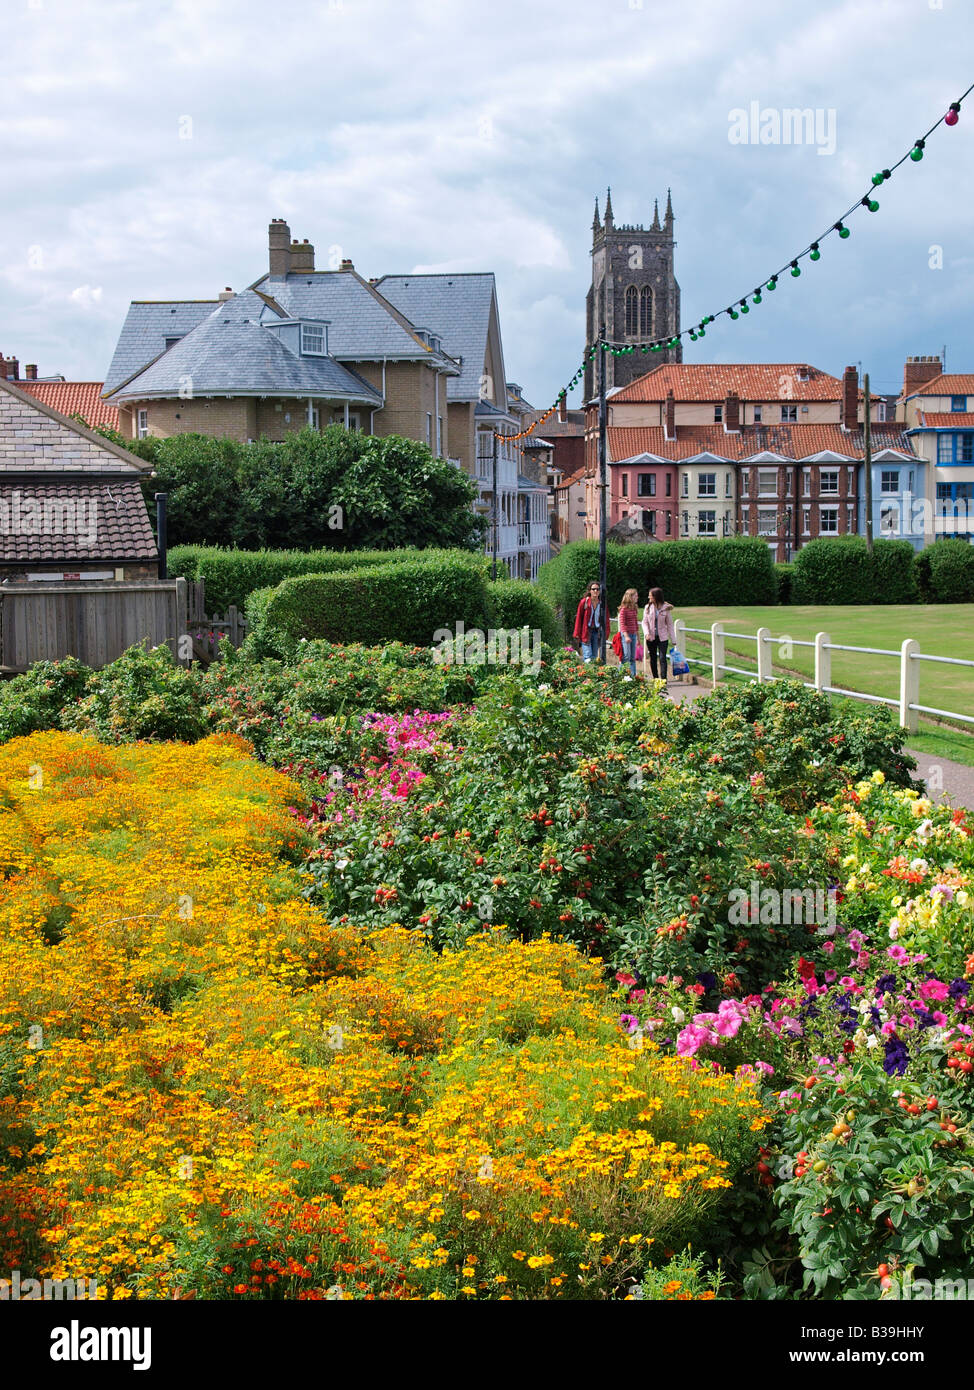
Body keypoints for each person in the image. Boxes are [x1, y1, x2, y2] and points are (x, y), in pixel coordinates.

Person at [642, 586, 675, 682]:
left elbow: (670, 624)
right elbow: (644, 622)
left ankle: (663, 679)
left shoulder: (666, 608)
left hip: (663, 637)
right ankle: (656, 678)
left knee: (662, 658)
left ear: (656, 597)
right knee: (653, 658)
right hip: (651, 637)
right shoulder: (647, 608)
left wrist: (673, 639)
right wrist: (646, 633)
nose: (649, 598)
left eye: (650, 596)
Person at [573, 581, 603, 662]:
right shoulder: (584, 602)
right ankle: (586, 672)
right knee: (588, 657)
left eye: (597, 589)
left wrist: (606, 633)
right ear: (590, 591)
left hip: (597, 632)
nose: (596, 591)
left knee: (594, 657)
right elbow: (579, 618)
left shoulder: (602, 604)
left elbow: (605, 620)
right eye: (593, 589)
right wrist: (576, 633)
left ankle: (588, 673)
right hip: (586, 632)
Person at [617, 587, 639, 677]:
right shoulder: (623, 610)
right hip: (626, 635)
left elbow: (635, 623)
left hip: (633, 634)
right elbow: (622, 624)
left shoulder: (634, 608)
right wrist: (626, 636)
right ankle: (620, 674)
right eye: (635, 596)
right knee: (626, 656)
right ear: (630, 597)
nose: (637, 597)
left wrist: (638, 637)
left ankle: (633, 675)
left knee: (632, 657)